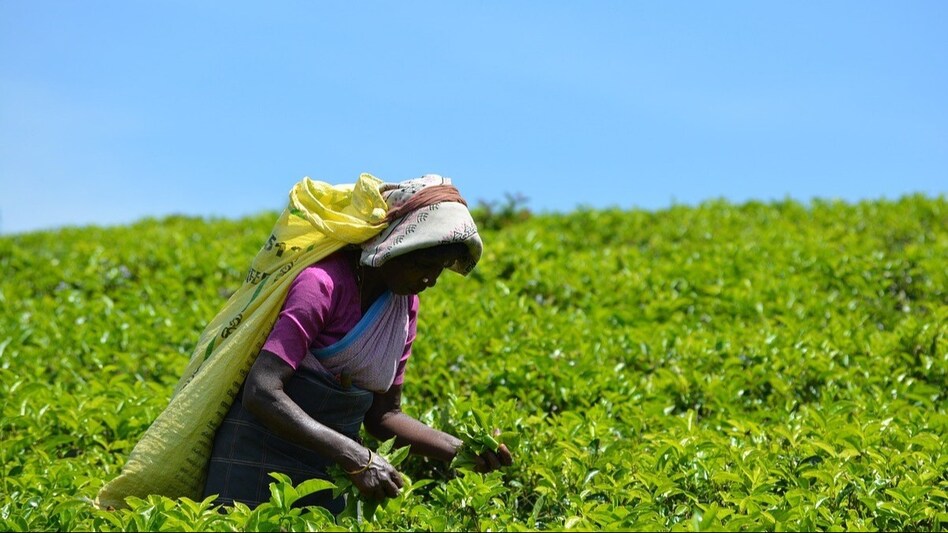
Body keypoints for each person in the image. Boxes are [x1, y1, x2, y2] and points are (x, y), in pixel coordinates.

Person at [201, 174, 514, 512]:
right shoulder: (321, 285)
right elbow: (261, 391)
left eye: (439, 270)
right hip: (253, 461)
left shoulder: (404, 306)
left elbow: (384, 415)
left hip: (328, 471)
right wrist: (355, 456)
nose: (430, 280)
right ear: (395, 244)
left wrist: (461, 449)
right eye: (423, 265)